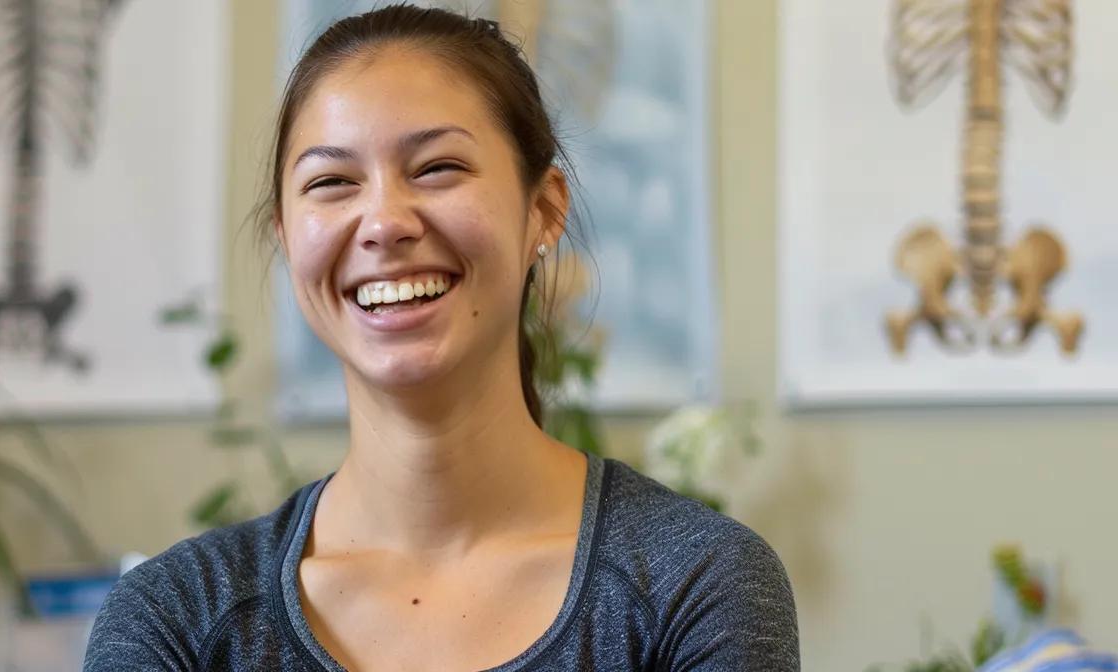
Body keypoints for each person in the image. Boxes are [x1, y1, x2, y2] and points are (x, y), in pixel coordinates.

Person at [84, 5, 798, 670]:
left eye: (437, 168)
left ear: (543, 211)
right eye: (332, 182)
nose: (384, 221)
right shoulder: (174, 619)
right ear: (286, 237)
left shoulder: (695, 585)